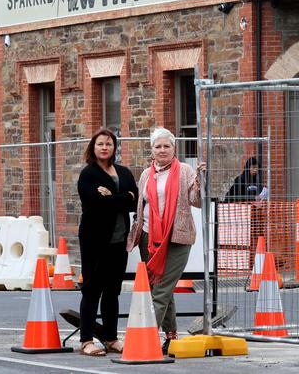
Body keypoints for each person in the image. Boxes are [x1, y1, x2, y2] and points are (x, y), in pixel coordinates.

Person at [130, 127, 205, 354]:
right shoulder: (146, 174)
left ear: (174, 148)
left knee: (160, 290)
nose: (162, 150)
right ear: (151, 150)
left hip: (177, 237)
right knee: (162, 288)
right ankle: (171, 337)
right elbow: (141, 205)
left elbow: (196, 201)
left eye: (166, 146)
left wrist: (200, 182)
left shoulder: (184, 170)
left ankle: (144, 337)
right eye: (158, 146)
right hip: (148, 237)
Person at [77, 128, 138, 357]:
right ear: (93, 147)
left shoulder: (123, 172)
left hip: (119, 241)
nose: (105, 147)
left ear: (114, 147)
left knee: (113, 292)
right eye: (100, 143)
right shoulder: (88, 174)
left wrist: (113, 197)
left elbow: (135, 200)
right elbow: (95, 203)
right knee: (92, 290)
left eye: (109, 144)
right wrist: (123, 198)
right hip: (95, 240)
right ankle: (86, 340)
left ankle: (111, 338)